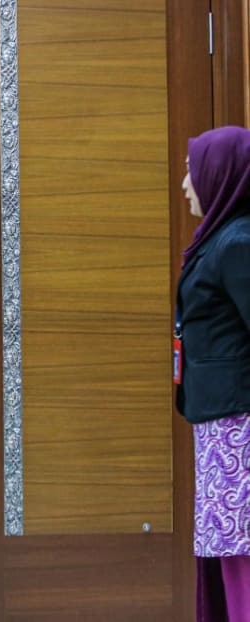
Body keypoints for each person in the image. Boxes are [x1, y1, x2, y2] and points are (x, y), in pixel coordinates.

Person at [175, 125, 250, 622]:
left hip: (238, 424)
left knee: (239, 546)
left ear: (219, 174)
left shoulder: (237, 243)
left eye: (191, 170)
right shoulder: (222, 237)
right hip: (219, 419)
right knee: (227, 543)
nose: (185, 183)